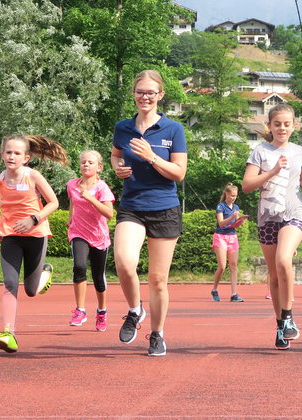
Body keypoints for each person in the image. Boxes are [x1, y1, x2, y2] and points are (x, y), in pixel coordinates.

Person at [111, 69, 187, 357]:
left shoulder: (173, 130)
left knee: (157, 280)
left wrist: (151, 157)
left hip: (165, 208)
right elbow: (116, 154)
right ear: (133, 94)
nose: (145, 97)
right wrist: (118, 168)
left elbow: (179, 173)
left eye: (150, 93)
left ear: (160, 96)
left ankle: (157, 335)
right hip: (132, 205)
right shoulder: (122, 127)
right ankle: (134, 310)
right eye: (140, 92)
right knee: (124, 261)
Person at [242, 103, 302, 350]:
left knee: (284, 260)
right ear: (270, 126)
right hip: (267, 218)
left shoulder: (300, 152)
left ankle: (289, 316)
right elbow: (247, 185)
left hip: (293, 213)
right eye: (277, 124)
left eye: (286, 124)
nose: (282, 128)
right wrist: (273, 170)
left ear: (293, 126)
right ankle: (280, 324)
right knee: (273, 275)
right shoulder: (260, 151)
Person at [0, 134, 67, 353]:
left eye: (16, 153)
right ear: (2, 155)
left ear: (26, 158)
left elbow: (54, 203)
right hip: (11, 236)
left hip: (36, 234)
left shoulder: (33, 176)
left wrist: (33, 219)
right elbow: (5, 208)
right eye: (8, 152)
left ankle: (45, 272)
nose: (11, 156)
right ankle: (9, 333)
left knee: (32, 290)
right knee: (10, 282)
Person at [66, 150, 115, 331]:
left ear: (99, 168)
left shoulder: (102, 188)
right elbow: (72, 200)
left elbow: (109, 214)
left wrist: (90, 198)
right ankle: (80, 310)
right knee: (79, 267)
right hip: (78, 233)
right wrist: (71, 217)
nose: (86, 164)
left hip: (99, 237)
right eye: (83, 162)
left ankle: (101, 311)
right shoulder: (72, 184)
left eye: (91, 162)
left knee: (98, 277)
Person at [211, 183, 246, 302]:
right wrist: (232, 217)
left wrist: (240, 221)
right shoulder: (220, 206)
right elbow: (221, 223)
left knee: (234, 265)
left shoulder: (236, 207)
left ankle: (234, 294)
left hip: (232, 237)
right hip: (220, 236)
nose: (234, 198)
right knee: (222, 266)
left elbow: (235, 223)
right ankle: (215, 289)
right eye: (232, 195)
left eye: (235, 196)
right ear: (226, 194)